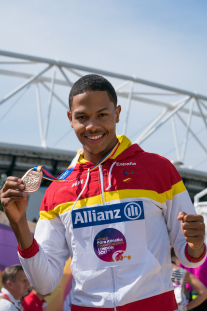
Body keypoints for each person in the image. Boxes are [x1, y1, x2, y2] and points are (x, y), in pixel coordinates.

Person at [1, 74, 206, 311]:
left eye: (102, 114)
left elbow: (192, 255)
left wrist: (197, 244)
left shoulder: (159, 170)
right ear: (70, 119)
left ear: (117, 113)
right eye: (81, 117)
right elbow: (45, 283)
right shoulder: (58, 189)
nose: (92, 126)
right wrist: (18, 225)